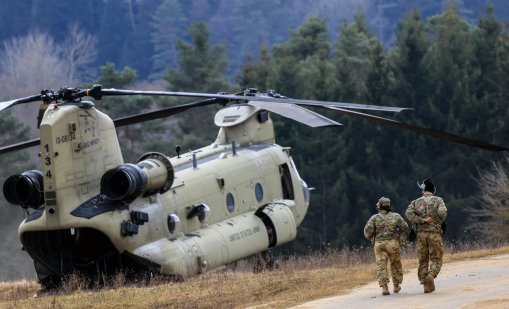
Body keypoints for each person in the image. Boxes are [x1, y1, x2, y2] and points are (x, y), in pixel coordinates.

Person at [405, 178, 447, 293]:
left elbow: (408, 213)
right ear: (433, 190)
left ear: (423, 190)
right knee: (436, 258)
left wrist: (421, 220)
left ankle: (425, 285)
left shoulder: (415, 202)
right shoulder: (439, 200)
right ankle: (432, 274)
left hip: (421, 234)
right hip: (435, 233)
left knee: (423, 260)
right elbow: (442, 213)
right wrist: (438, 220)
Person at [364, 197, 408, 295]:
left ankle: (385, 287)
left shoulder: (374, 218)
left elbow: (367, 232)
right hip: (393, 243)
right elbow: (405, 228)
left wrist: (373, 239)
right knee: (395, 264)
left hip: (379, 245)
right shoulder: (396, 216)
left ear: (379, 206)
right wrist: (401, 239)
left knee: (381, 265)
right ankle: (396, 286)